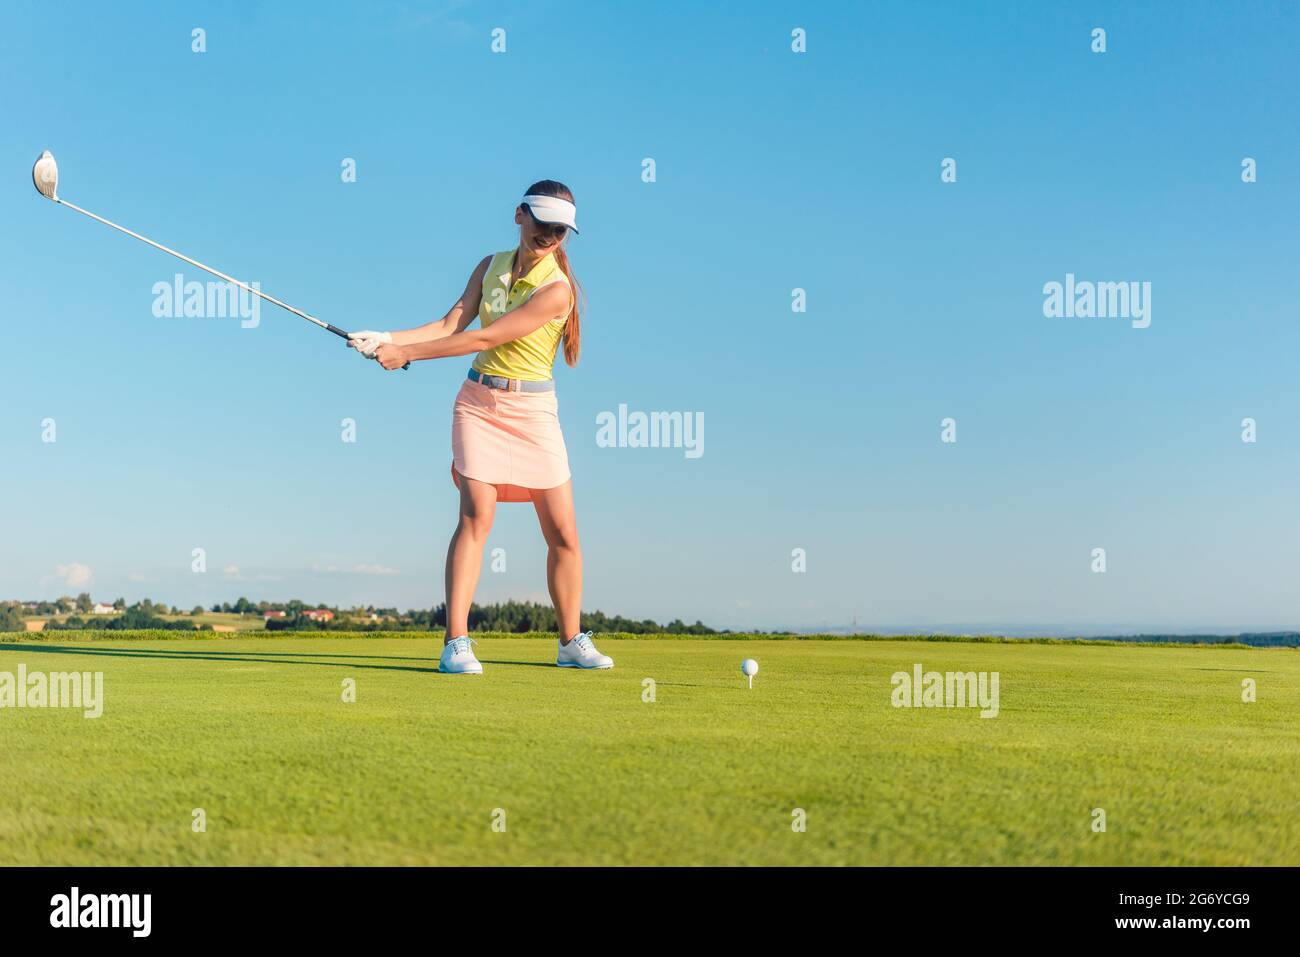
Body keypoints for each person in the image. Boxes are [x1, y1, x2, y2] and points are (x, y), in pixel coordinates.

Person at [348, 181, 613, 676]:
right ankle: (456, 642)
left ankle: (571, 640)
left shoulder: (558, 291)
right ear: (520, 215)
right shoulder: (489, 265)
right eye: (543, 222)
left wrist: (405, 355)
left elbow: (486, 335)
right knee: (476, 516)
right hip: (477, 405)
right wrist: (386, 337)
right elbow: (453, 323)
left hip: (535, 414)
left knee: (563, 533)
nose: (551, 234)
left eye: (561, 228)